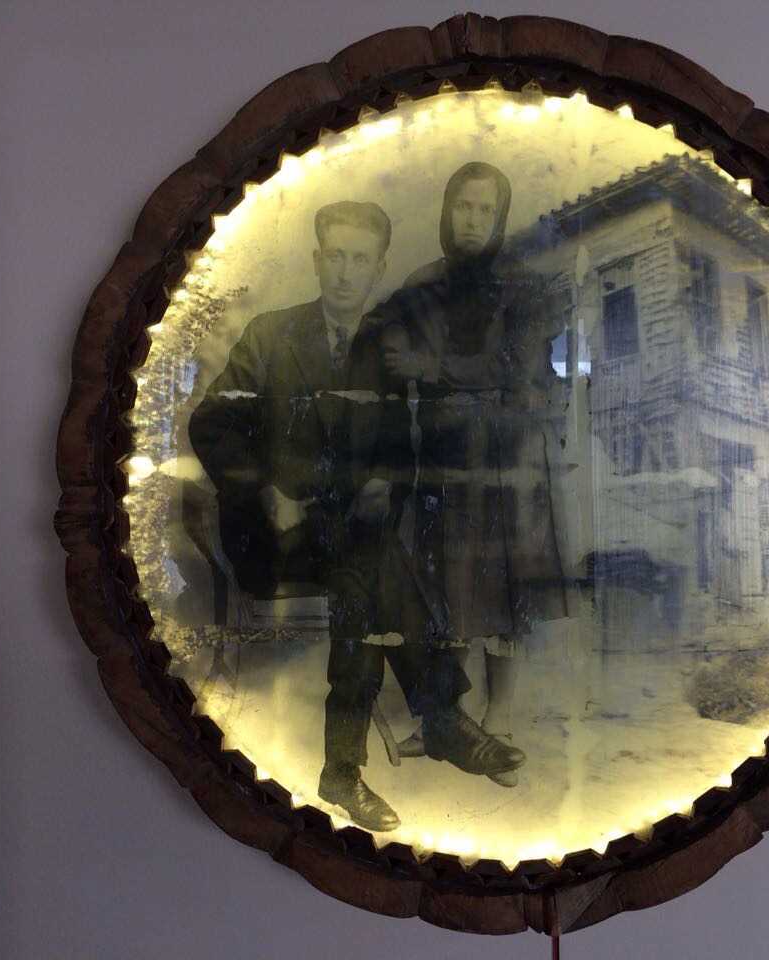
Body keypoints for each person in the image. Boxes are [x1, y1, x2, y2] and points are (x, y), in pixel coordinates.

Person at [188, 200, 526, 832]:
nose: (346, 272)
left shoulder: (381, 350)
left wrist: (382, 486)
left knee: (362, 573)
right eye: (336, 256)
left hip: (348, 541)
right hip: (272, 535)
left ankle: (343, 772)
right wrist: (264, 491)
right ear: (318, 261)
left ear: (377, 269)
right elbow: (210, 423)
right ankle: (441, 720)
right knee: (369, 568)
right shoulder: (269, 335)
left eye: (360, 260)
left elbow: (398, 454)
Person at [375, 163, 570, 785]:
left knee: (504, 591)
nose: (473, 220)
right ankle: (452, 725)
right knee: (446, 589)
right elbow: (387, 350)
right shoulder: (421, 284)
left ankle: (500, 718)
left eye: (486, 210)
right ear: (446, 210)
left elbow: (518, 368)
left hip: (509, 454)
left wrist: (432, 368)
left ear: (500, 219)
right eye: (463, 206)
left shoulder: (523, 286)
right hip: (444, 455)